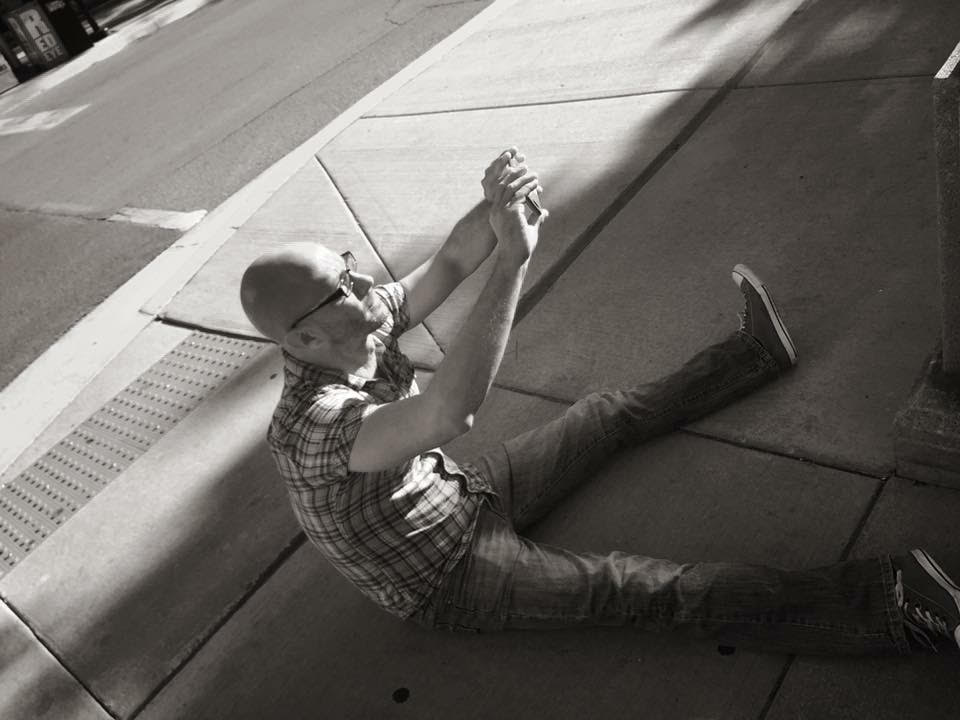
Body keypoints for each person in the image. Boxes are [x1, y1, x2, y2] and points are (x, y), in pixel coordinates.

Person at [240, 147, 960, 656]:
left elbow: (455, 258)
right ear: (303, 337)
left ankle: (753, 356)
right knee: (644, 589)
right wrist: (516, 260)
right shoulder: (313, 425)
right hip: (443, 577)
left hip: (459, 497)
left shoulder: (357, 325)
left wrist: (498, 203)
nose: (369, 286)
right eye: (345, 287)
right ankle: (893, 606)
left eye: (352, 268)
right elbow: (447, 414)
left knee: (601, 414)